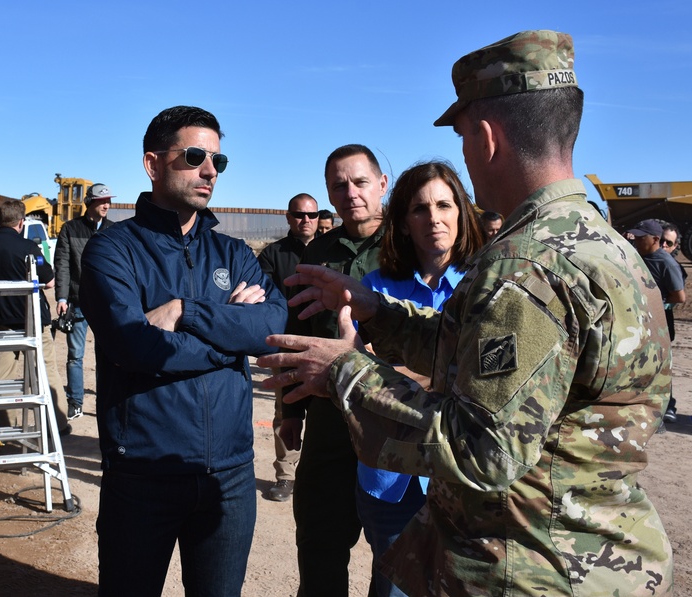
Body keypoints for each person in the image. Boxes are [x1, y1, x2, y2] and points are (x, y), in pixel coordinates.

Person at [260, 30, 674, 595]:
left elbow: (481, 448)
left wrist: (343, 370)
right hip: (597, 558)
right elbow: (495, 361)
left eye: (461, 137)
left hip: (528, 567)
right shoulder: (604, 245)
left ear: (483, 137)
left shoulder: (525, 266)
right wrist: (378, 310)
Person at [80, 105, 287, 596]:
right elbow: (137, 347)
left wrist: (186, 313)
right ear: (153, 164)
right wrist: (228, 339)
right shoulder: (113, 250)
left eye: (218, 160)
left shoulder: (234, 253)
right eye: (195, 156)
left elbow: (270, 326)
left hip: (231, 478)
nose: (210, 170)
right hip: (143, 474)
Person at [356, 160, 484, 597]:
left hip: (466, 473)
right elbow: (354, 373)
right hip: (391, 473)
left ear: (461, 213)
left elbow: (486, 380)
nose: (434, 218)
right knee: (393, 586)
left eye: (444, 205)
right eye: (419, 209)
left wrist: (394, 368)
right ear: (403, 223)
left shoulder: (488, 285)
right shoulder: (375, 289)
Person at [280, 143, 388, 596]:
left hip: (395, 422)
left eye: (360, 182)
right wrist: (291, 410)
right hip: (329, 422)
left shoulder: (413, 245)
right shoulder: (318, 253)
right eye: (338, 185)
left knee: (396, 554)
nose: (351, 194)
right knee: (321, 543)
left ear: (382, 184)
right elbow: (297, 332)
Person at [0, 200, 70, 434]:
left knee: (1, 375)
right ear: (21, 222)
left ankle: (5, 427)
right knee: (46, 371)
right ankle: (57, 423)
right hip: (32, 322)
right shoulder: (27, 248)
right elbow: (50, 281)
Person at [257, 192, 319, 502]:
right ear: (288, 217)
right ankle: (285, 475)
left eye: (312, 214)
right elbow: (262, 299)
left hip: (326, 346)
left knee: (326, 413)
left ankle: (320, 474)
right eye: (299, 214)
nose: (306, 220)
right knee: (286, 412)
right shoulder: (272, 256)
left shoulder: (330, 252)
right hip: (288, 345)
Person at [55, 183, 115, 421]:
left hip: (106, 304)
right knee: (75, 355)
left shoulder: (114, 230)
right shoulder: (70, 229)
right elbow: (62, 265)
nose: (106, 206)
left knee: (109, 354)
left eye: (108, 201)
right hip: (77, 301)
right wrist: (61, 297)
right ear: (89, 203)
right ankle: (75, 402)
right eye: (102, 202)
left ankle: (106, 402)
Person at [629, 219, 685, 424]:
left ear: (654, 239)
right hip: (639, 322)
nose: (636, 240)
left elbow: (679, 297)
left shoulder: (666, 263)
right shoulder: (636, 256)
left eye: (640, 237)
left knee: (658, 367)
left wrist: (658, 304)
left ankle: (666, 407)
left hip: (660, 323)